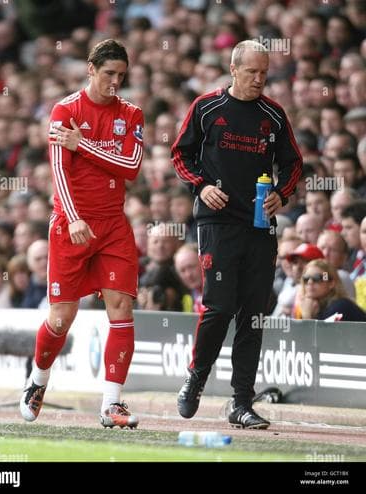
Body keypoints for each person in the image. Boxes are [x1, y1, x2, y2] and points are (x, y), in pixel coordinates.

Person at [171, 40, 302, 429]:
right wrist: (201, 185)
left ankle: (241, 402)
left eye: (264, 72)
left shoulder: (273, 116)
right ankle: (196, 377)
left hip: (260, 225)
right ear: (233, 69)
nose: (259, 79)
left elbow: (293, 163)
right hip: (217, 221)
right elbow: (181, 154)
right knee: (219, 306)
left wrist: (281, 194)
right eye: (252, 72)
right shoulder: (207, 107)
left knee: (254, 315)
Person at [19, 39, 144, 429]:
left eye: (121, 76)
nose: (115, 82)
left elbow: (132, 166)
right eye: (109, 74)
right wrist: (72, 218)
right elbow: (59, 169)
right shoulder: (65, 110)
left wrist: (84, 144)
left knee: (121, 308)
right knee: (61, 318)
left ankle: (111, 404)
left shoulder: (132, 114)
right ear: (91, 69)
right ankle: (38, 380)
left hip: (113, 225)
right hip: (71, 223)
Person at [299, 259, 366, 322]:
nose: (310, 282)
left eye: (317, 278)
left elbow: (322, 334)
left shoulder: (340, 306)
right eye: (306, 278)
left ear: (331, 283)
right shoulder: (310, 305)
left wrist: (307, 316)